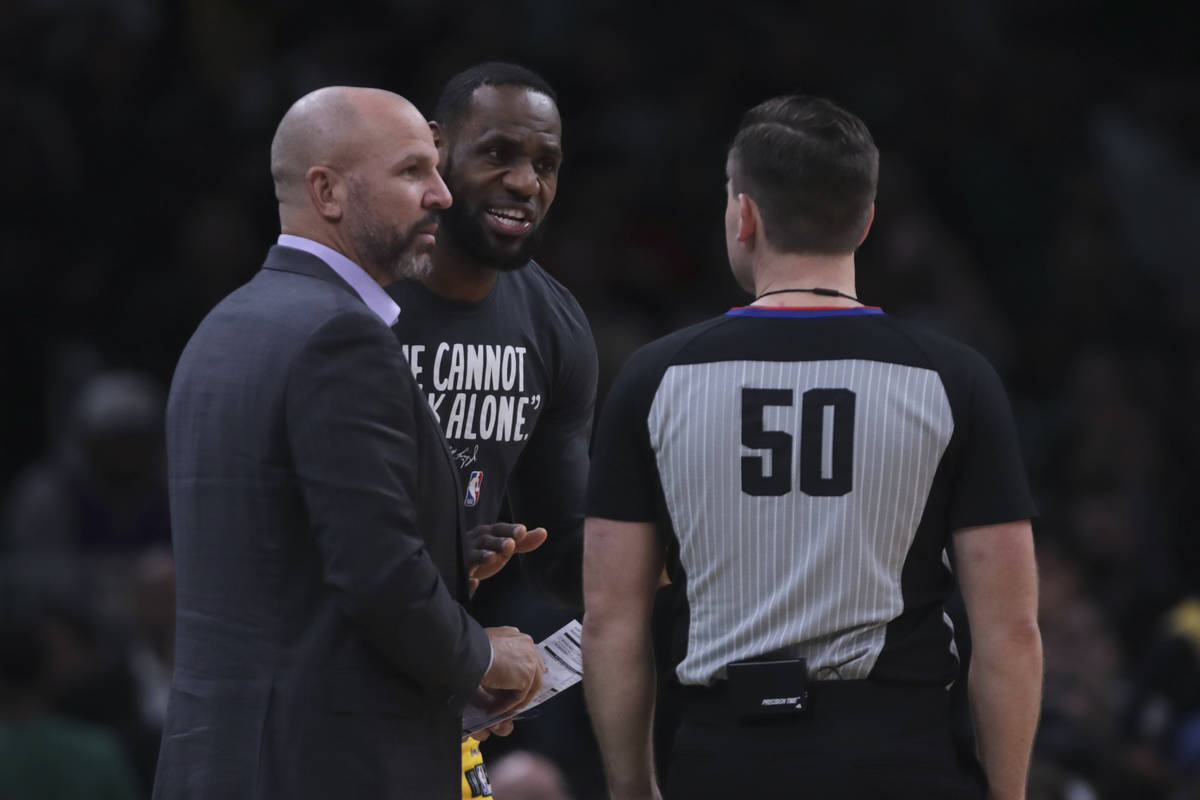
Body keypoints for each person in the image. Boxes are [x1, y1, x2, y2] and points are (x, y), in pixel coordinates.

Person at [582, 95, 1043, 799]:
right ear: (866, 221)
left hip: (723, 759)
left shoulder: (653, 378)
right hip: (900, 759)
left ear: (744, 216)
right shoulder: (956, 381)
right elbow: (1009, 631)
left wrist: (632, 787)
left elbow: (613, 620)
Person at [153, 86, 544, 800]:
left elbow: (280, 563)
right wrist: (486, 656)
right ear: (326, 191)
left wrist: (448, 558)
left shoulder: (225, 325)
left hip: (220, 762)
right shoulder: (342, 335)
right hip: (325, 767)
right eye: (412, 172)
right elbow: (378, 577)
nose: (443, 196)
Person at [386, 63, 598, 798]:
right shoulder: (358, 299)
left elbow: (563, 555)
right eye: (498, 153)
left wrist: (668, 546)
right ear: (437, 149)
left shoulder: (555, 324)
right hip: (323, 702)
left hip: (437, 699)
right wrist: (443, 559)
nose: (524, 182)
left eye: (545, 164)